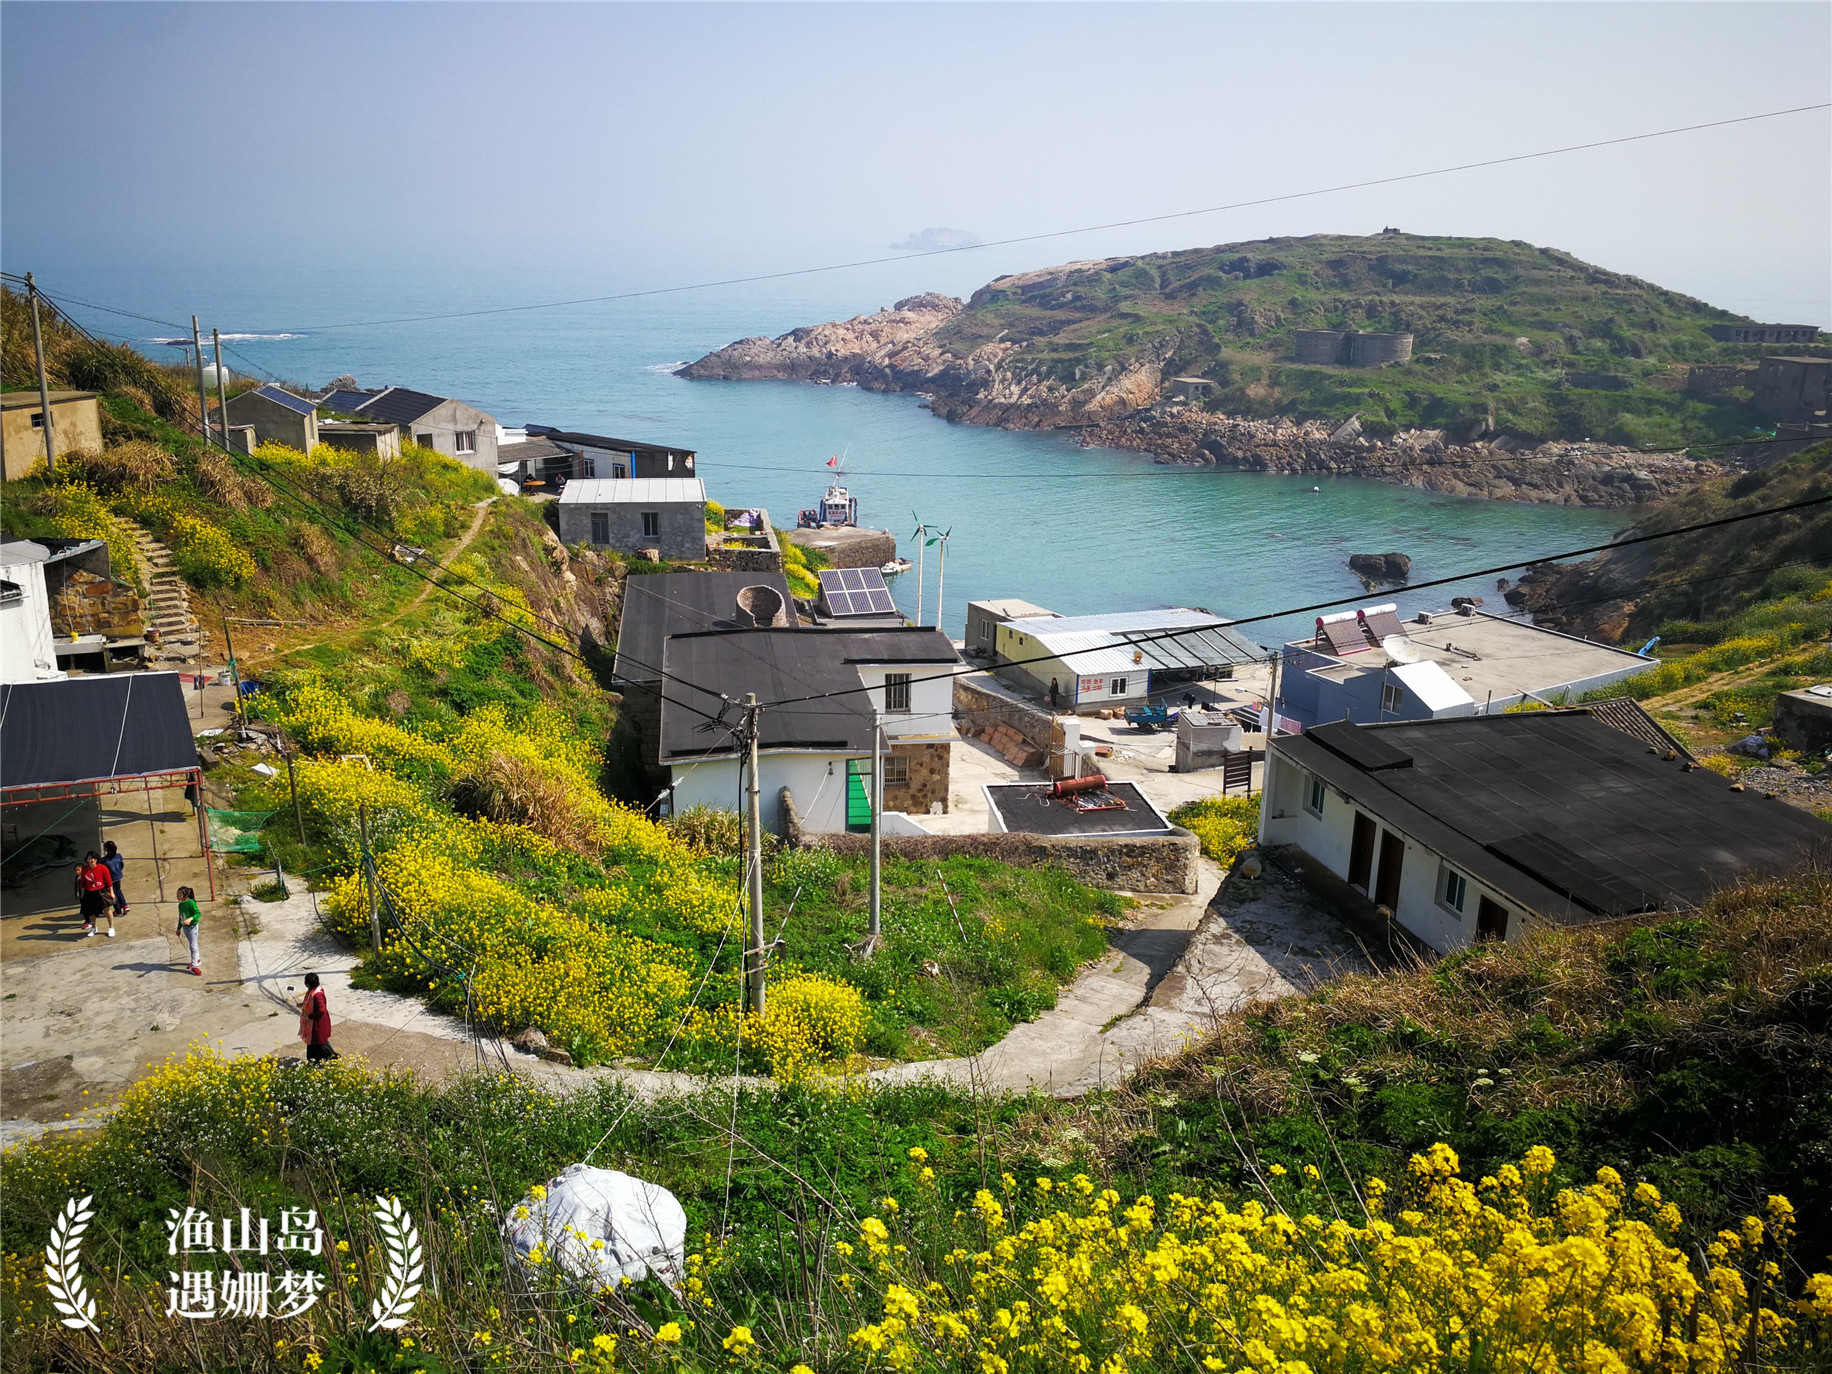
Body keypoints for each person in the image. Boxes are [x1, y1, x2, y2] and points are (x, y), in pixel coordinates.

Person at [299, 972, 337, 1062]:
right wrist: (303, 1004)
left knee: (317, 1043)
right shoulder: (314, 991)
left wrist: (310, 1016)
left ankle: (323, 1059)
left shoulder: (317, 994)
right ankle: (318, 1059)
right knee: (318, 1042)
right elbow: (311, 1004)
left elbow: (321, 1010)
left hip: (317, 1023)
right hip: (315, 1022)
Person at [75, 853, 113, 938]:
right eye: (90, 858)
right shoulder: (85, 869)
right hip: (89, 892)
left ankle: (111, 928)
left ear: (96, 860)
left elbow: (109, 881)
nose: (92, 860)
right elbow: (83, 882)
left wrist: (111, 892)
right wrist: (83, 894)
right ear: (87, 860)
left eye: (94, 858)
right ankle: (93, 928)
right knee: (91, 913)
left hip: (101, 892)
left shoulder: (103, 868)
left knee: (107, 910)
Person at [175, 886, 202, 974]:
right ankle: (196, 960)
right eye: (177, 894)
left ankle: (194, 966)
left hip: (192, 927)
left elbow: (198, 913)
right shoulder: (180, 905)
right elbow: (181, 917)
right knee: (193, 944)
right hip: (185, 928)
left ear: (185, 895)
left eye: (179, 894)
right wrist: (178, 928)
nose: (177, 896)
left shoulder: (191, 903)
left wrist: (190, 919)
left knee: (193, 946)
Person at [102, 840, 128, 919]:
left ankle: (118, 910)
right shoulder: (119, 856)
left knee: (112, 894)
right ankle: (125, 905)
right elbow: (121, 865)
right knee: (118, 890)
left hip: (110, 879)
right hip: (118, 876)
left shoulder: (103, 860)